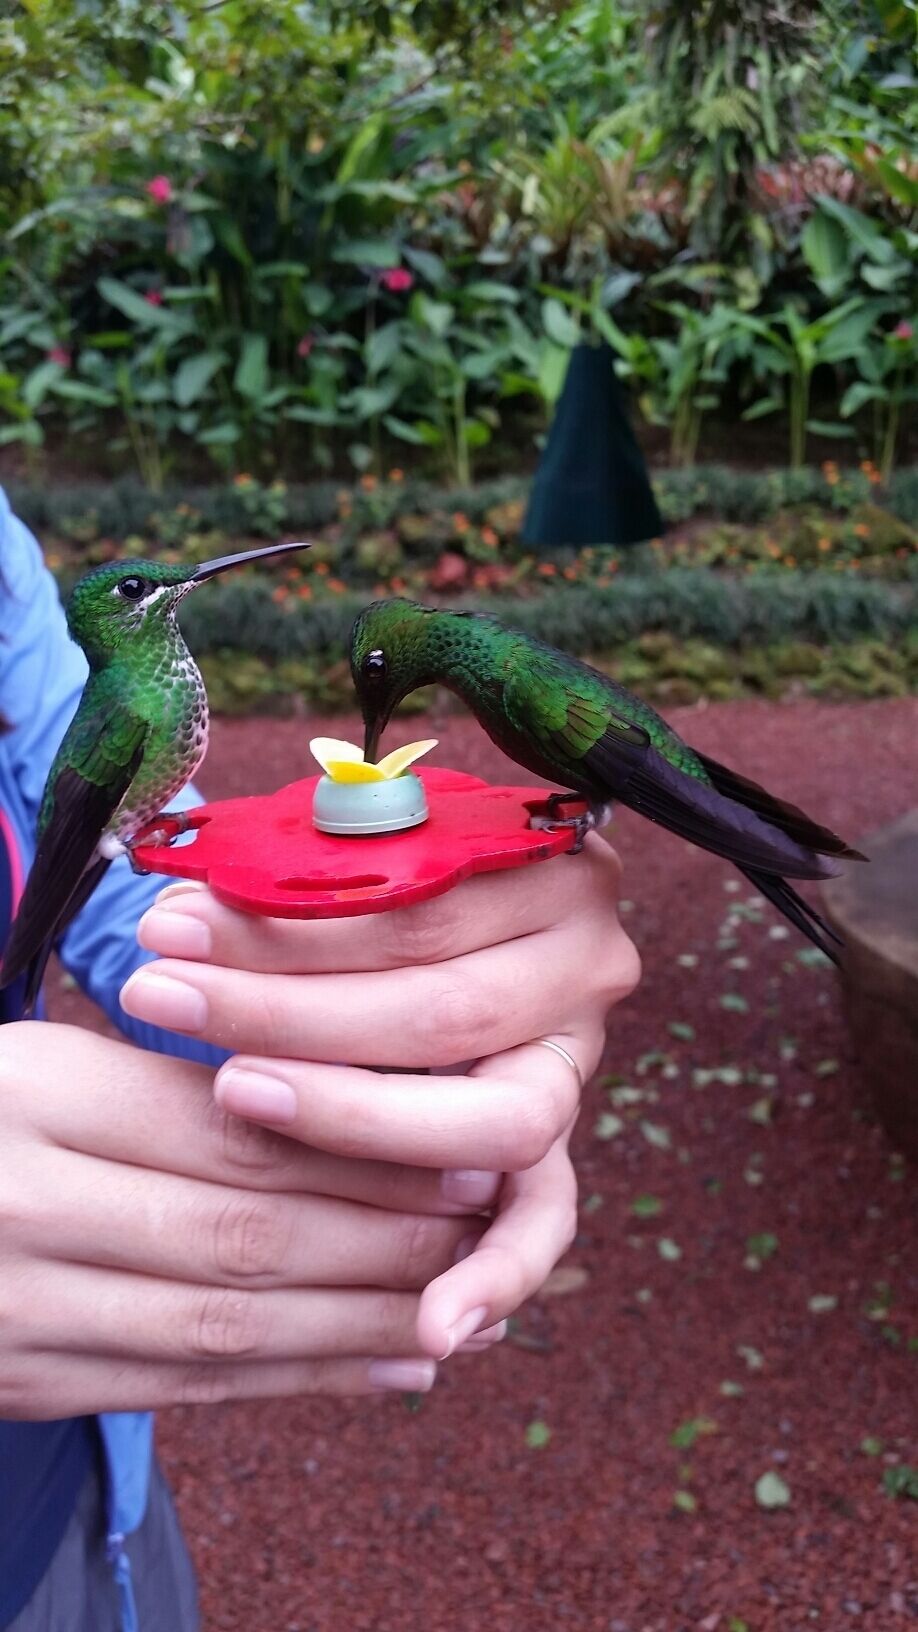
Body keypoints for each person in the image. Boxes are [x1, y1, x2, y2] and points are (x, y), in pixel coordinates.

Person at [0, 486, 640, 1630]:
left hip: (103, 1496)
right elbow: (75, 822)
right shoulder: (129, 693)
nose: (181, 593)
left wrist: (372, 1003)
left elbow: (125, 892)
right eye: (156, 589)